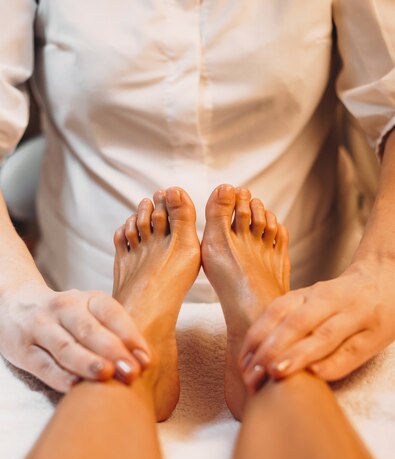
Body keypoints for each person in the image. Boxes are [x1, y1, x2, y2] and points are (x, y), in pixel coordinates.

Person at [0, 1, 394, 393]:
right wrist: (12, 292)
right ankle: (147, 340)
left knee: (121, 385)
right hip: (83, 291)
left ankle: (244, 335)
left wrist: (382, 268)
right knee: (115, 360)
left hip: (310, 291)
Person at [9, 185, 393, 459]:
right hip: (75, 255)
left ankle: (132, 350)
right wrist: (10, 290)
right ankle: (264, 348)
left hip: (318, 243)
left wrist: (385, 266)